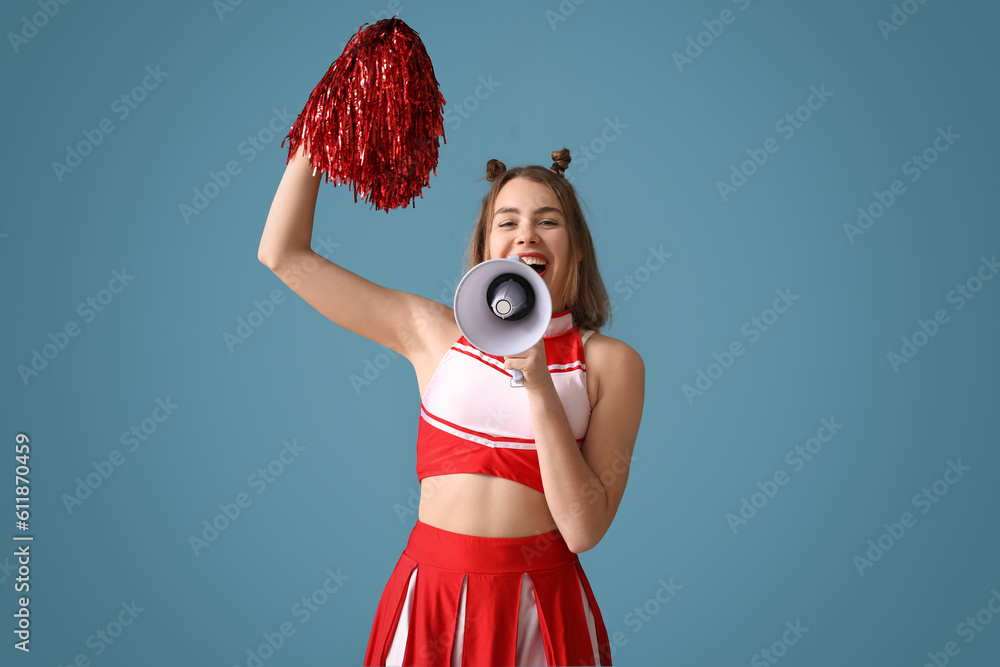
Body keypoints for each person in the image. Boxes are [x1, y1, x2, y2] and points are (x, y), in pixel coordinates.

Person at [258, 144, 645, 666]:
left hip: (541, 609)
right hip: (429, 598)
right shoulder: (434, 334)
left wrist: (538, 385)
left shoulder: (609, 364)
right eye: (507, 221)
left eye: (548, 220)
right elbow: (283, 254)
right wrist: (315, 134)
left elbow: (582, 529)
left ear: (577, 249)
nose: (526, 234)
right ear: (488, 251)